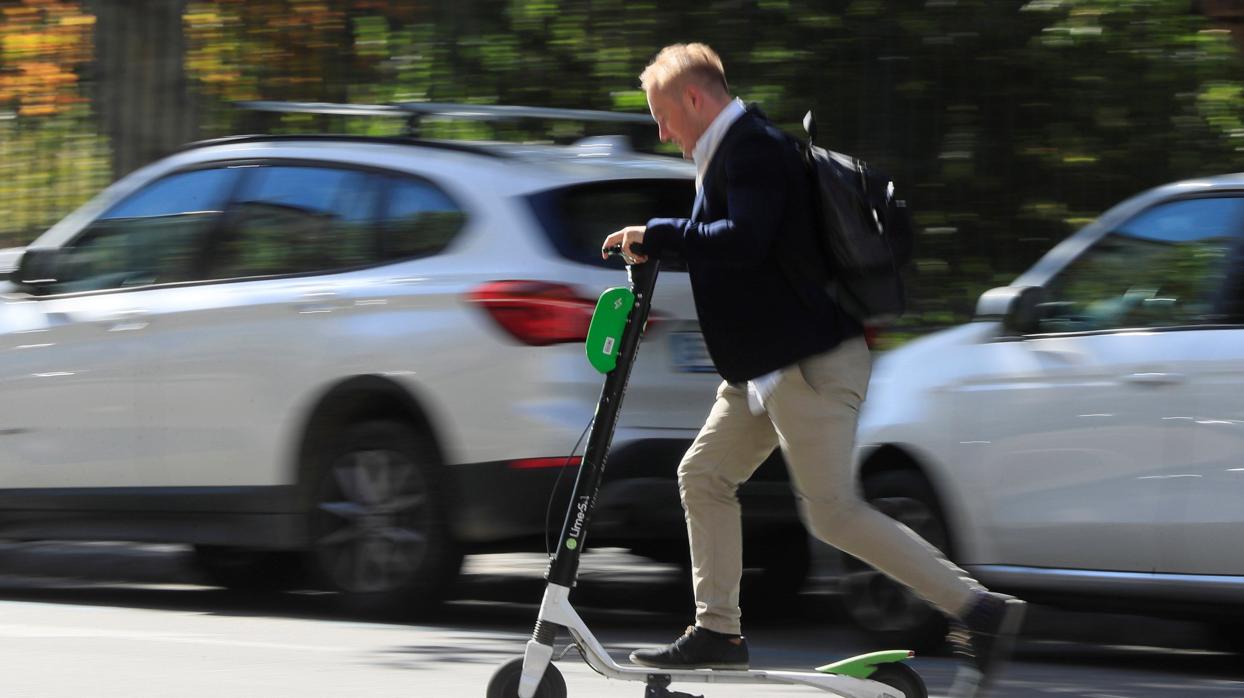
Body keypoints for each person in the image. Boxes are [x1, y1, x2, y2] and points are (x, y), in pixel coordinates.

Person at [601, 43, 1026, 698]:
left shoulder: (755, 150)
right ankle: (718, 630)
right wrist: (660, 238)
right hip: (765, 369)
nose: (661, 132)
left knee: (831, 513)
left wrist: (658, 235)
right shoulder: (729, 153)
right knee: (704, 475)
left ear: (694, 99)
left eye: (663, 115)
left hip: (810, 366)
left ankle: (977, 609)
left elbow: (742, 242)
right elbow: (741, 247)